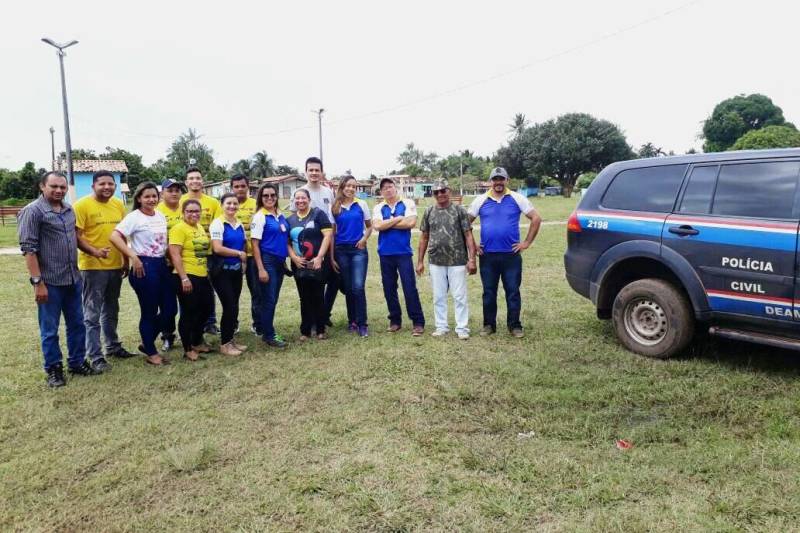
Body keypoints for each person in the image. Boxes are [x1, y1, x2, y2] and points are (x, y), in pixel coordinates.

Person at [17, 172, 99, 386]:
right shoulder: (32, 212)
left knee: (77, 324)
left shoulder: (68, 209)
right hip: (49, 282)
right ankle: (54, 369)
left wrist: (95, 252)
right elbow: (29, 250)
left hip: (73, 278)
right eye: (53, 186)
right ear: (42, 186)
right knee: (50, 329)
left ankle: (77, 362)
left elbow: (75, 238)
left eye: (62, 187)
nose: (59, 190)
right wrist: (38, 283)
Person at [467, 167, 542, 338]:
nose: (498, 183)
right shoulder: (481, 200)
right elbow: (466, 223)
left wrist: (527, 242)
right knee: (489, 292)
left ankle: (515, 326)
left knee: (513, 291)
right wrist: (474, 245)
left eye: (501, 179)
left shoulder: (517, 198)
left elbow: (536, 218)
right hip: (488, 256)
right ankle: (488, 325)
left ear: (507, 180)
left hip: (511, 256)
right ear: (490, 181)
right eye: (495, 179)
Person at [73, 170, 134, 373]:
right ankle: (95, 357)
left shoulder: (117, 204)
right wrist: (95, 252)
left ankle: (113, 346)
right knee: (92, 314)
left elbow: (122, 234)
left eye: (111, 184)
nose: (107, 187)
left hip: (115, 266)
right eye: (102, 184)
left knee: (111, 309)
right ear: (93, 186)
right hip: (93, 268)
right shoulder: (82, 205)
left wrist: (125, 259)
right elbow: (77, 236)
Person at [109, 181, 174, 366]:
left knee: (170, 309)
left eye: (154, 196)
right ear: (139, 198)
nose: (151, 199)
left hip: (162, 265)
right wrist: (132, 256)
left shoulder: (160, 215)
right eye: (147, 196)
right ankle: (152, 353)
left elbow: (163, 243)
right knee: (150, 312)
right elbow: (114, 236)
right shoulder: (134, 217)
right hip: (144, 266)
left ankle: (147, 342)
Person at [416, 178, 478, 339]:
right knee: (438, 296)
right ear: (433, 194)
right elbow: (424, 237)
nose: (440, 194)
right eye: (436, 192)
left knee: (459, 296)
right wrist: (420, 261)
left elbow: (468, 235)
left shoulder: (459, 211)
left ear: (448, 191)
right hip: (436, 261)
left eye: (443, 191)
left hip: (457, 260)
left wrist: (472, 259)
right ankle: (441, 326)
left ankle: (462, 328)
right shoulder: (429, 211)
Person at [372, 177, 425, 336]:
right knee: (389, 288)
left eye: (390, 186)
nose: (388, 190)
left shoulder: (407, 203)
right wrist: (397, 218)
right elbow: (377, 226)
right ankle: (395, 320)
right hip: (385, 254)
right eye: (384, 188)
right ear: (381, 192)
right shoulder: (379, 207)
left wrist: (387, 223)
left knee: (409, 288)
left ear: (395, 188)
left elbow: (410, 223)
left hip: (403, 253)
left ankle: (418, 322)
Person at [290, 157, 338, 327]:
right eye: (311, 170)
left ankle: (323, 317)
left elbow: (332, 220)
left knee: (324, 283)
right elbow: (293, 221)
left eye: (317, 170)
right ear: (306, 172)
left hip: (324, 244)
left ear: (322, 172)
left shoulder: (328, 192)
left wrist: (328, 253)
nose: (314, 173)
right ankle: (309, 322)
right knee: (305, 288)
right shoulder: (299, 192)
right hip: (303, 249)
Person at [168, 199, 214, 361]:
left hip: (201, 275)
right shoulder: (179, 229)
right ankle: (188, 348)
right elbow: (174, 254)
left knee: (206, 309)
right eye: (190, 211)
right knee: (189, 312)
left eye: (196, 211)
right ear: (183, 213)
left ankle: (197, 341)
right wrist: (184, 278)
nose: (194, 214)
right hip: (186, 276)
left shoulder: (200, 227)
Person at [180, 167, 222, 335]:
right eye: (191, 178)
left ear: (202, 181)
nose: (195, 181)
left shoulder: (212, 202)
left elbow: (217, 226)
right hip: (188, 253)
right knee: (187, 292)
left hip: (209, 253)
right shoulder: (181, 200)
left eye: (198, 178)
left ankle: (210, 322)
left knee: (209, 289)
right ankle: (189, 325)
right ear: (186, 182)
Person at [287, 188, 332, 341]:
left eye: (303, 198)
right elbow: (287, 243)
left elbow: (327, 236)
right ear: (294, 201)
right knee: (304, 297)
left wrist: (320, 257)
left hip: (317, 263)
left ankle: (320, 329)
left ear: (309, 199)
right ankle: (305, 330)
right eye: (297, 198)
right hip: (299, 265)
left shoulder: (318, 214)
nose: (300, 201)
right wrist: (294, 257)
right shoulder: (290, 220)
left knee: (318, 296)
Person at [331, 175, 372, 337]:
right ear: (342, 187)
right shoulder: (335, 207)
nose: (351, 189)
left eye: (354, 186)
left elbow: (369, 227)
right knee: (348, 288)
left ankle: (362, 324)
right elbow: (332, 233)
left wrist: (364, 239)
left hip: (358, 250)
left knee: (358, 287)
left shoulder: (361, 204)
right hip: (341, 250)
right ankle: (352, 321)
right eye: (348, 186)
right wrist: (332, 257)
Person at [209, 193, 248, 356]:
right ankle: (225, 344)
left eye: (235, 203)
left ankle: (230, 340)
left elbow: (244, 244)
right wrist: (239, 254)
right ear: (222, 205)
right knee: (229, 306)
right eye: (228, 203)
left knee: (234, 307)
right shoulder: (217, 224)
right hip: (221, 272)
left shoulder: (238, 223)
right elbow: (217, 248)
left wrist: (243, 262)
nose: (232, 206)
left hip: (235, 272)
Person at [251, 183, 289, 348]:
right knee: (269, 300)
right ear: (261, 197)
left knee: (272, 299)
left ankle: (268, 330)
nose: (269, 198)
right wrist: (261, 268)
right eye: (266, 196)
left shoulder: (279, 214)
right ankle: (268, 335)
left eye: (272, 195)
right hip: (267, 261)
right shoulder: (260, 216)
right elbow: (255, 244)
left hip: (279, 262)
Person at [229, 174, 261, 335]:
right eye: (236, 186)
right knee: (233, 292)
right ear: (232, 188)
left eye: (243, 186)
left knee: (256, 290)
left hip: (254, 255)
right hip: (233, 255)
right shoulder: (228, 205)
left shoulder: (256, 205)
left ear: (248, 187)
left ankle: (257, 323)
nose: (240, 189)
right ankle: (232, 324)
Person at [156, 177, 185, 351]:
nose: (174, 193)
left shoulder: (186, 208)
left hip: (184, 263)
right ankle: (167, 335)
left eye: (177, 190)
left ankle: (188, 333)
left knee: (187, 300)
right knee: (167, 303)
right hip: (164, 263)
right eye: (170, 190)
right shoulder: (157, 210)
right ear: (162, 193)